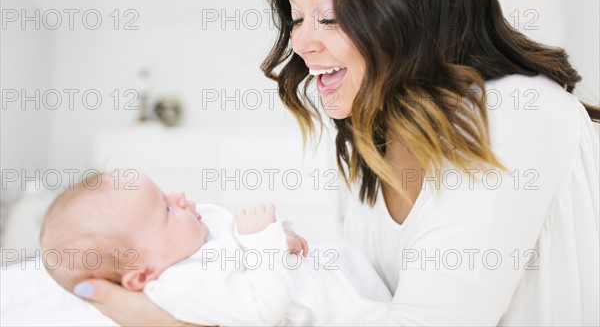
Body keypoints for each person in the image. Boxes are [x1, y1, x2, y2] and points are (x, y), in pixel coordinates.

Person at [70, 0, 600, 325]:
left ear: (415, 9)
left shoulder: (516, 112)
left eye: (328, 14)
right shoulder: (366, 147)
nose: (300, 43)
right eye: (296, 16)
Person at [40, 171, 391, 326]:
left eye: (165, 193)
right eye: (165, 210)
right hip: (355, 316)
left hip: (357, 282)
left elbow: (245, 255)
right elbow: (262, 310)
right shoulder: (177, 287)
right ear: (143, 274)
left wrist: (280, 240)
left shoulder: (192, 243)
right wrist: (262, 241)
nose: (178, 197)